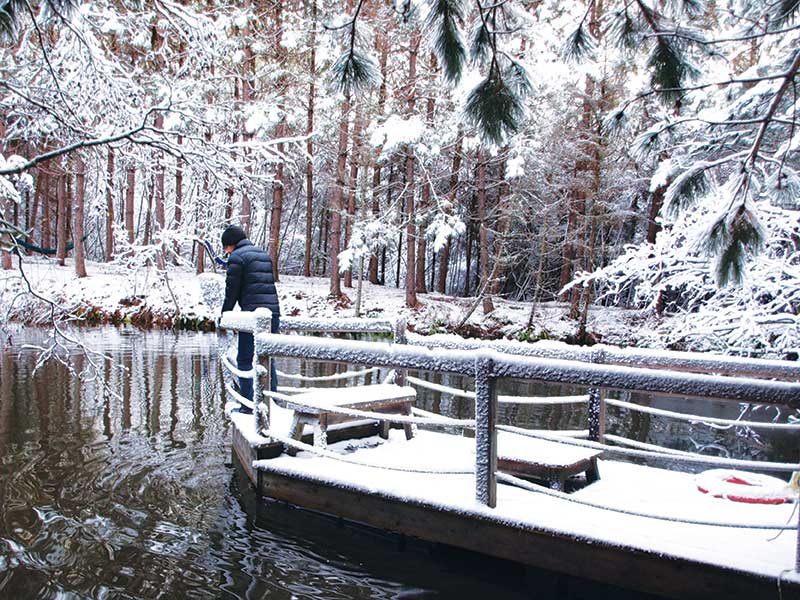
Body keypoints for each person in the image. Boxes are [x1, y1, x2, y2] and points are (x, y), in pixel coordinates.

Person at [220, 225, 280, 413]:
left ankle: (248, 405)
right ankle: (272, 404)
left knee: (245, 359)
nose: (225, 251)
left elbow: (231, 292)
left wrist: (224, 315)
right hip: (273, 313)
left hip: (252, 317)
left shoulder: (236, 258)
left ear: (230, 245)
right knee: (267, 359)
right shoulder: (262, 254)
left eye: (225, 247)